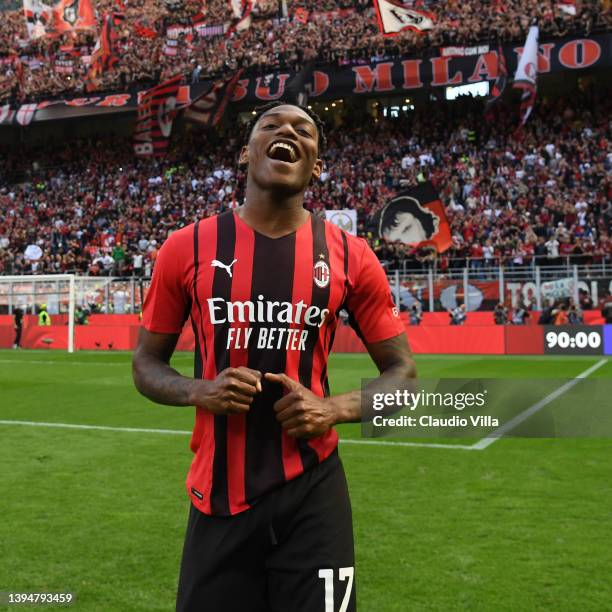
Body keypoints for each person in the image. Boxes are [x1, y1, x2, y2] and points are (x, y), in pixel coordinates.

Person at [132, 102, 416, 612]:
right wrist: (199, 390)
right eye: (272, 125)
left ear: (316, 164)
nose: (288, 131)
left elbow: (404, 376)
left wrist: (334, 408)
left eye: (303, 130)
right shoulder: (184, 247)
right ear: (246, 153)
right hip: (218, 494)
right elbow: (145, 365)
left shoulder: (352, 255)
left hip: (314, 493)